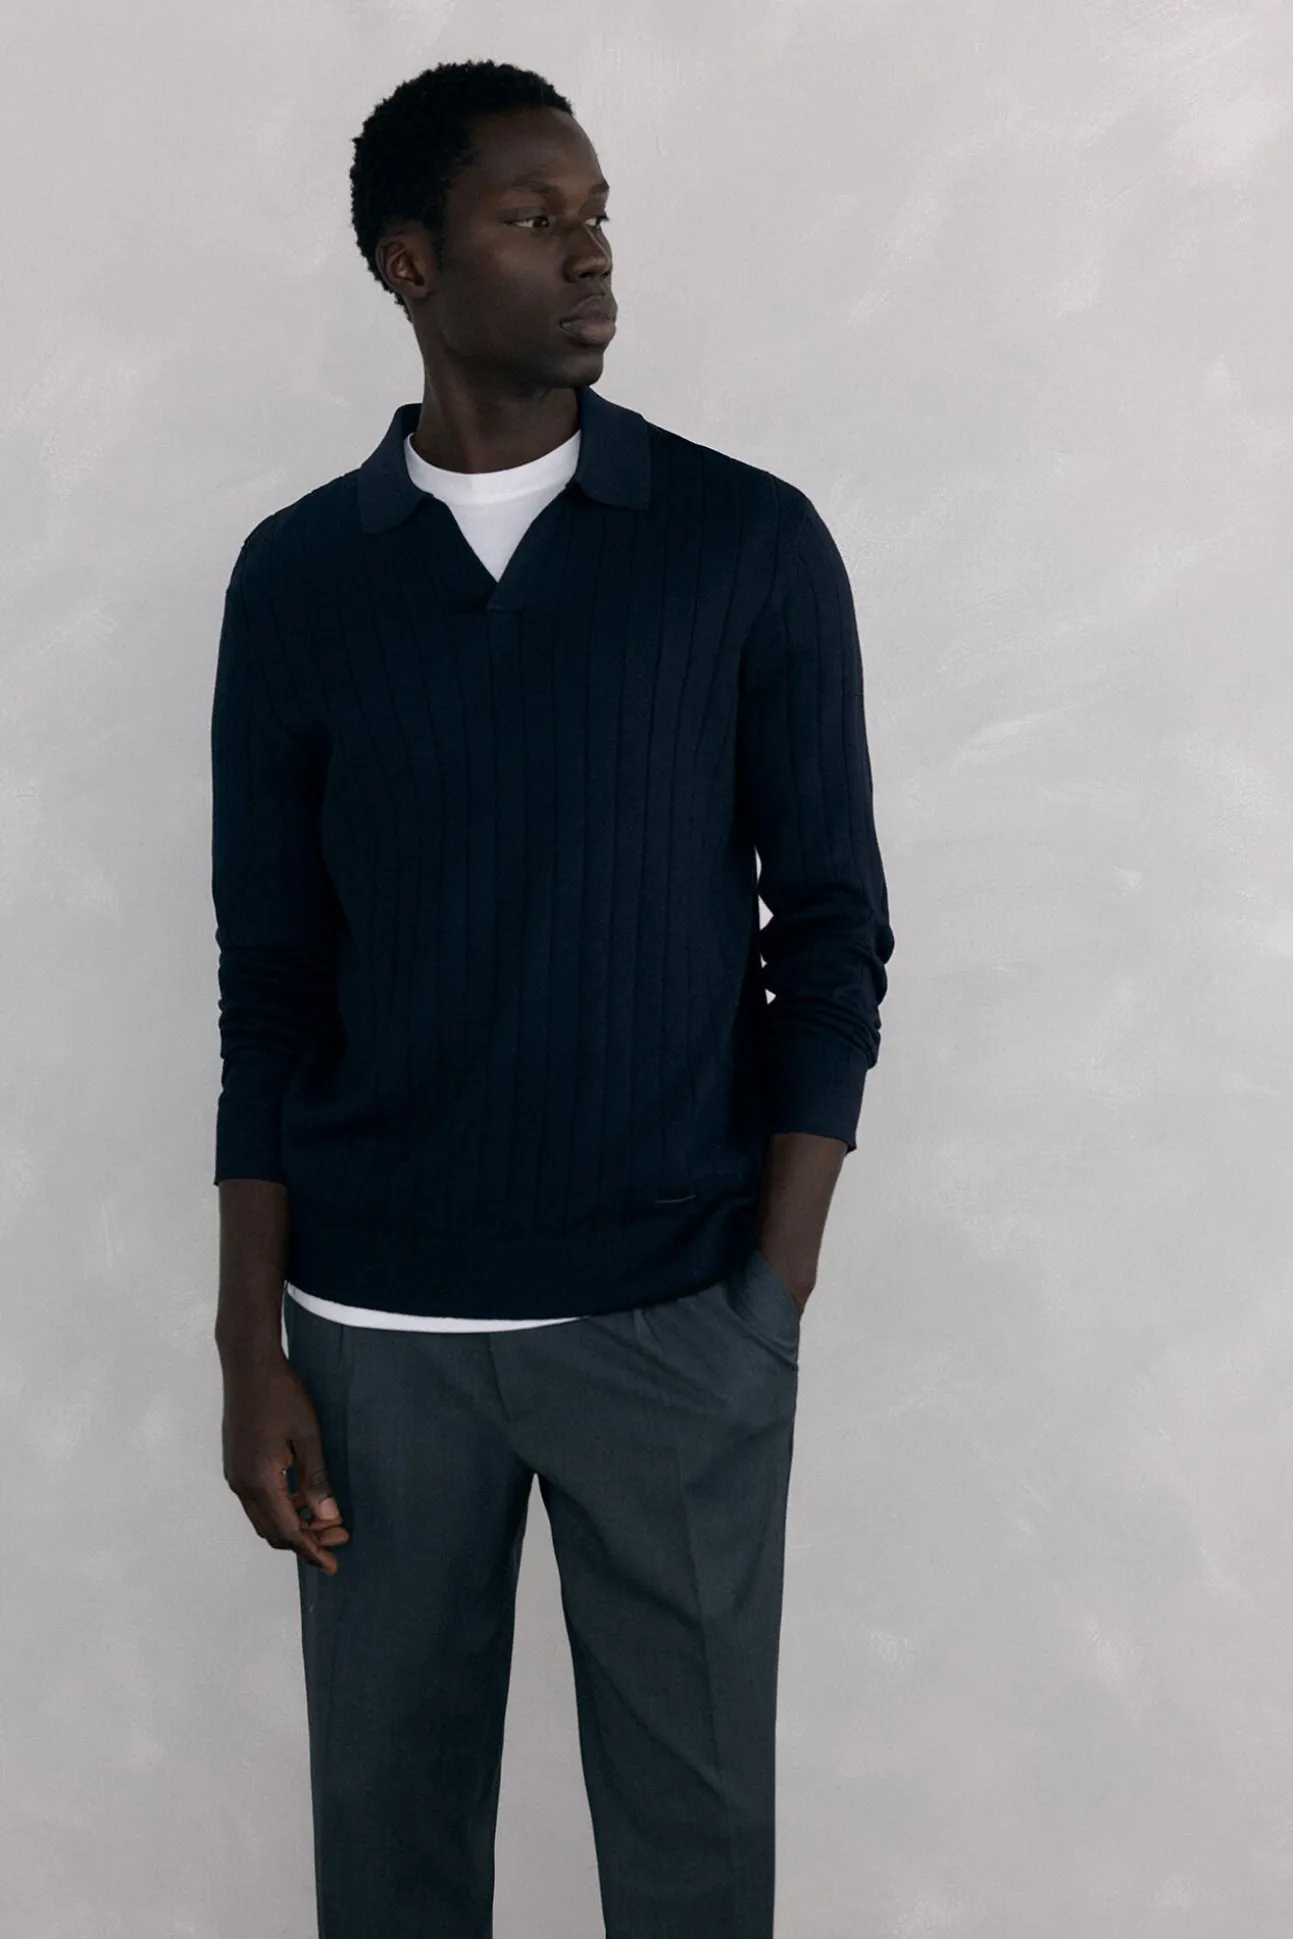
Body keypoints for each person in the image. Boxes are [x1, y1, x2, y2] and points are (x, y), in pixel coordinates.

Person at [211, 55, 893, 1939]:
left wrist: (769, 1295)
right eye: (534, 217)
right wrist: (249, 1339)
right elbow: (269, 982)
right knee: (393, 1874)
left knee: (696, 1878)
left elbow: (833, 929)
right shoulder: (300, 580)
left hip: (673, 1321)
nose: (590, 256)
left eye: (598, 215)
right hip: (371, 1340)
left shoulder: (743, 545)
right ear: (410, 261)